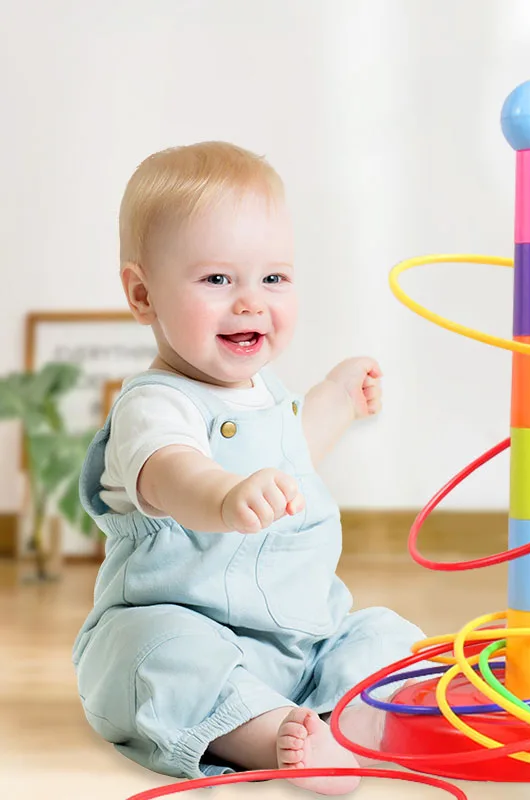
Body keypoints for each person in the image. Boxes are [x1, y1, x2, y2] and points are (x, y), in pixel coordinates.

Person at [72, 141, 424, 795]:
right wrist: (223, 493)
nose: (250, 302)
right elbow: (171, 471)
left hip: (304, 641)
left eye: (273, 279)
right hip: (190, 631)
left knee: (386, 634)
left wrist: (338, 398)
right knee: (156, 658)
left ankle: (353, 718)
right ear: (144, 295)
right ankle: (264, 736)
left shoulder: (266, 396)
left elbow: (294, 449)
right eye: (217, 280)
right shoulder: (154, 405)